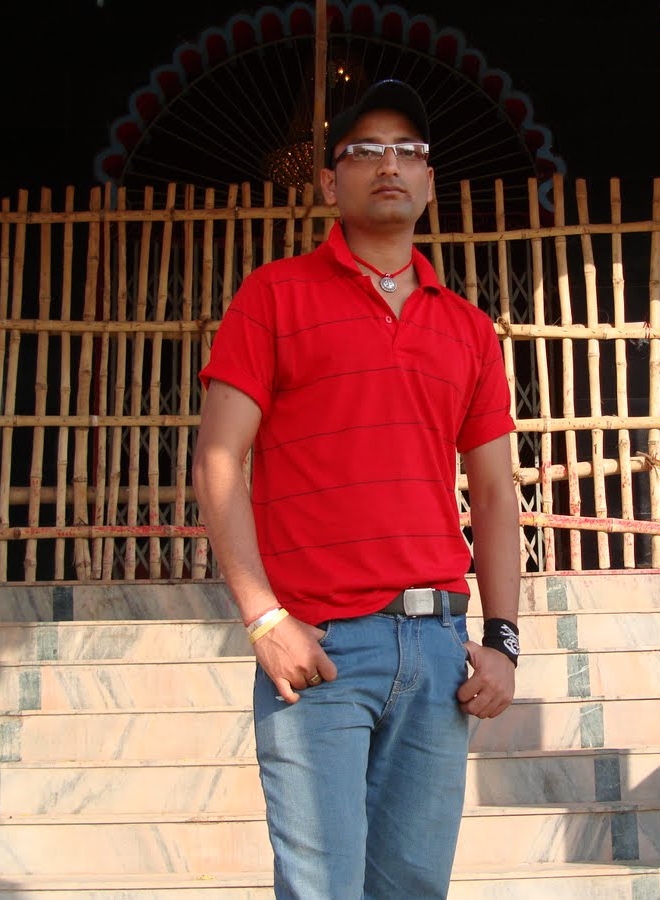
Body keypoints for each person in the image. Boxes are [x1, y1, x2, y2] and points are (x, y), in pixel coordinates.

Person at [192, 79, 522, 900]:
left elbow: (493, 492)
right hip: (319, 651)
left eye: (408, 150)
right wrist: (262, 618)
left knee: (412, 890)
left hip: (439, 649)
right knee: (323, 890)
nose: (389, 165)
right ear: (327, 181)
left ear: (430, 182)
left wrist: (504, 640)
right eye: (365, 149)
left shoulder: (469, 330)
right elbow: (219, 457)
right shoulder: (273, 297)